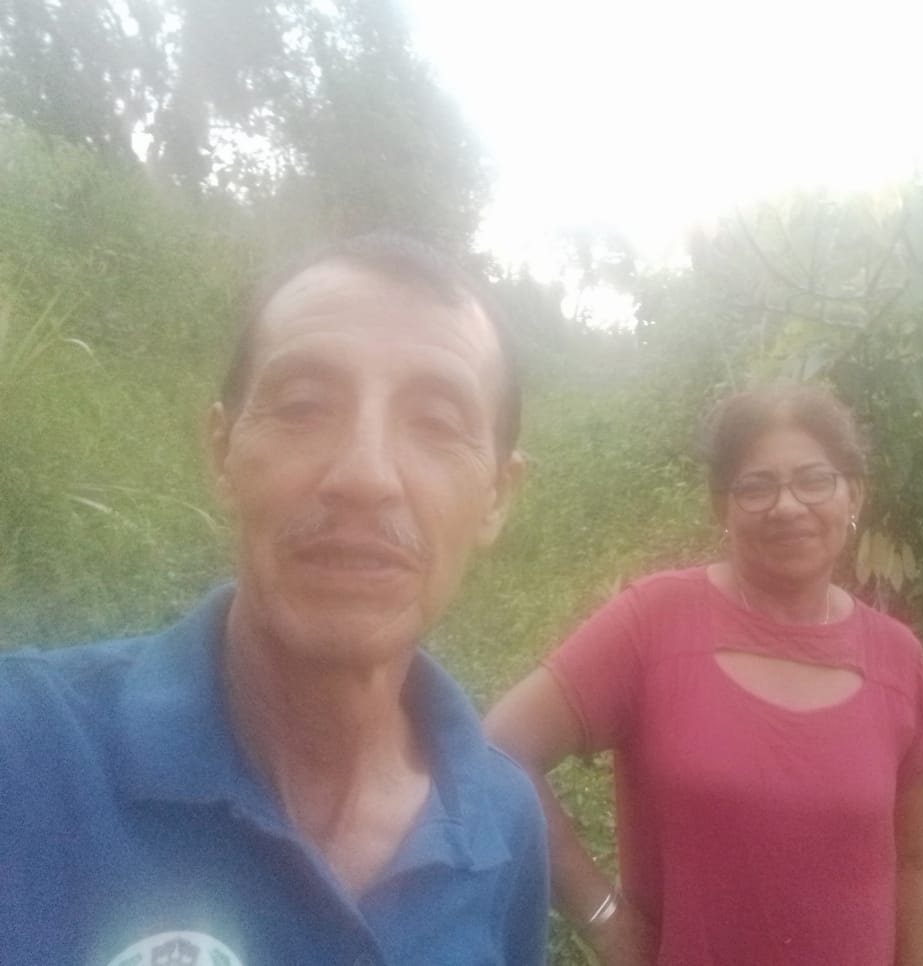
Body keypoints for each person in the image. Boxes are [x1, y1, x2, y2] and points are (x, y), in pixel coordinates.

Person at [0, 234, 549, 965]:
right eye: (303, 406)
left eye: (437, 425)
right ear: (222, 451)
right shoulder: (25, 750)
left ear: (497, 497)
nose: (365, 475)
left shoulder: (505, 824)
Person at [486, 384, 923, 966]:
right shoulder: (655, 623)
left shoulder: (897, 659)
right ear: (721, 505)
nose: (787, 506)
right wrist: (606, 921)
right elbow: (500, 748)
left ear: (853, 494)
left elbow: (918, 859)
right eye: (756, 486)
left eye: (814, 480)